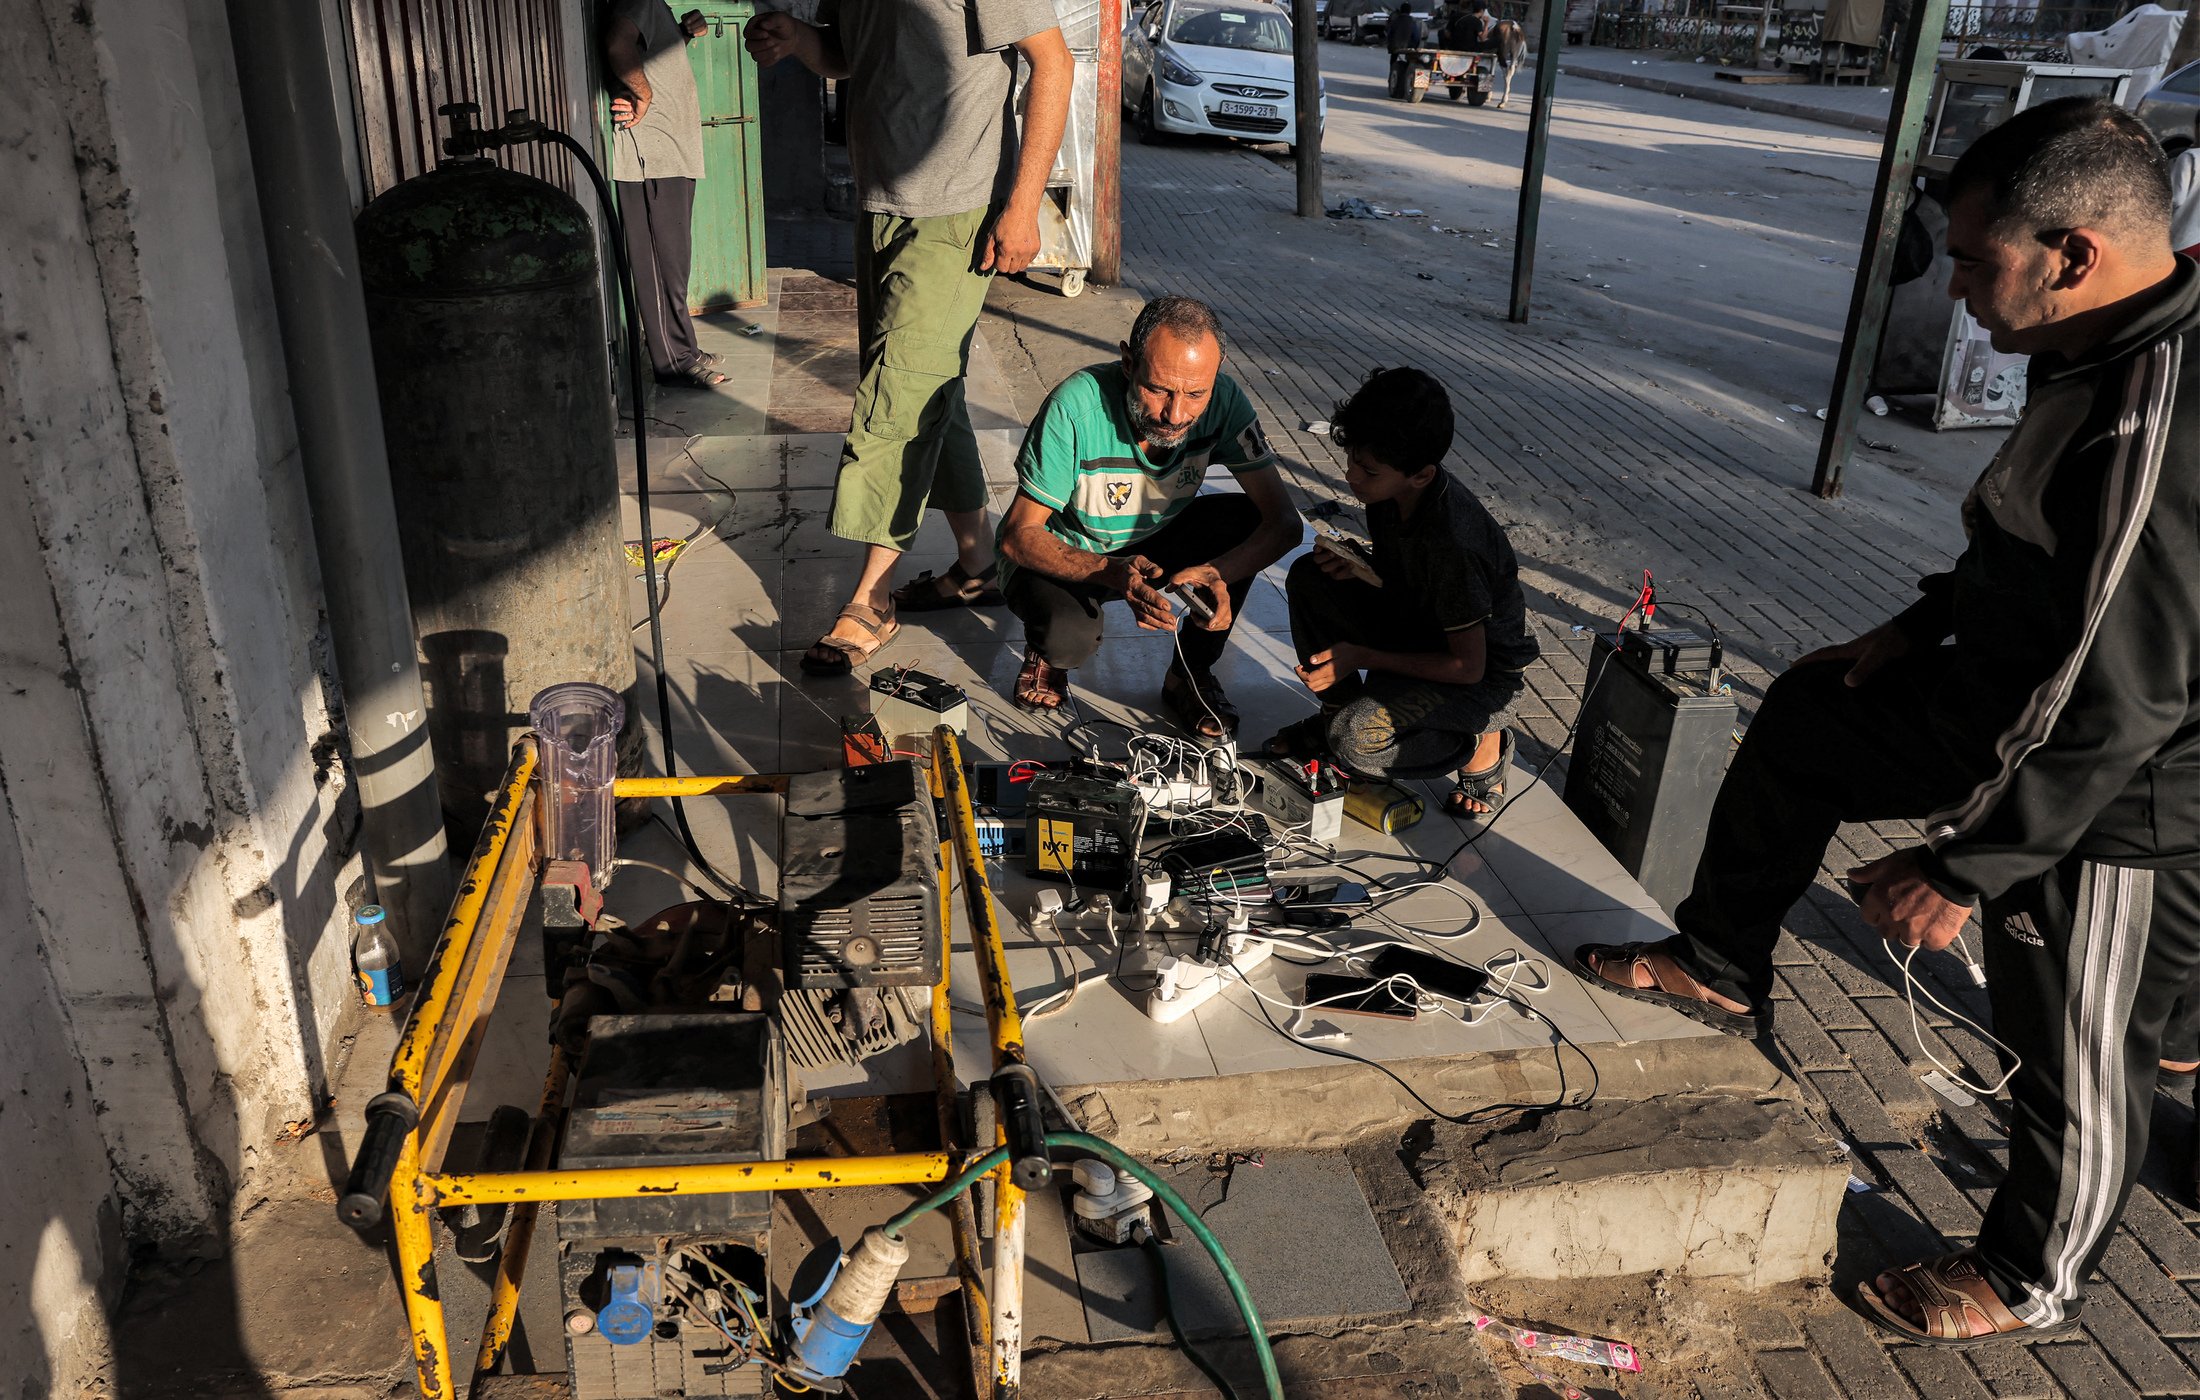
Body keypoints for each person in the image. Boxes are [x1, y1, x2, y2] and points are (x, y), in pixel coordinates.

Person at [1574, 98, 2200, 1343]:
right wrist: (1912, 629)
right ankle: (1719, 965)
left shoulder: (2157, 412)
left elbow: (2115, 691)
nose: (1955, 287)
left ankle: (2031, 1274)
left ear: (2072, 254)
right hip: (2011, 700)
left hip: (2116, 783)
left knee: (2070, 1031)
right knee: (1811, 711)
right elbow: (2026, 545)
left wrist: (1963, 866)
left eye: (1975, 261)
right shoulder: (2086, 342)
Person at [746, 2, 1072, 677]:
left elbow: (1054, 64)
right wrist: (800, 38)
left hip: (958, 209)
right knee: (928, 387)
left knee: (895, 395)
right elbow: (850, 54)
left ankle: (870, 599)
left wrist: (1023, 203)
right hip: (881, 200)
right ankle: (979, 564)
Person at [996, 296, 1302, 740]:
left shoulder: (1227, 403)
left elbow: (1284, 524)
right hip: (1067, 551)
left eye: (1196, 393)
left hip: (1151, 541)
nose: (1176, 415)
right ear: (1127, 363)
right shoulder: (1075, 406)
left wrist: (1219, 572)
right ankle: (1045, 651)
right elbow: (1017, 536)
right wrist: (1112, 572)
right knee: (1067, 639)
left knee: (1245, 521)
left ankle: (1189, 675)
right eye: (1158, 389)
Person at [1264, 368, 1536, 815]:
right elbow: (1408, 582)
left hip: (1482, 677)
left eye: (1367, 470)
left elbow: (1468, 666)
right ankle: (1335, 714)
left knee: (1358, 740)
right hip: (1422, 629)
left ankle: (1482, 744)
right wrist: (1361, 568)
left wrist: (1362, 656)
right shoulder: (1391, 496)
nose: (1351, 476)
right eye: (1351, 459)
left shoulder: (1453, 544)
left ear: (1422, 475)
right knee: (1310, 575)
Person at [605, 3, 724, 389]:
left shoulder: (657, 6)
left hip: (672, 153)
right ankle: (672, 362)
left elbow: (645, 55)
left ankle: (683, 348)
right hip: (652, 156)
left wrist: (684, 34)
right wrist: (642, 94)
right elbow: (617, 45)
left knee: (674, 266)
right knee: (659, 266)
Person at [1385, 3, 1425, 98]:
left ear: (1401, 10)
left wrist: (1390, 45)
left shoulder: (1395, 21)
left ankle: (1392, 75)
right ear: (1410, 11)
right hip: (1408, 47)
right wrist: (1415, 47)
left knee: (1393, 59)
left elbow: (1389, 34)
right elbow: (1416, 36)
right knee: (1410, 58)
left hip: (1395, 46)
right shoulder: (1412, 22)